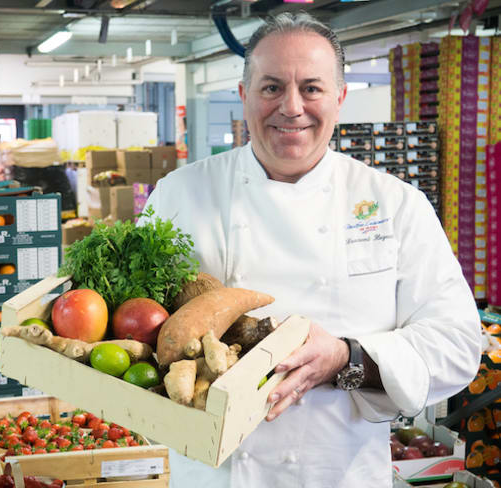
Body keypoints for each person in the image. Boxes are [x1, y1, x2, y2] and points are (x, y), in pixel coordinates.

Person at [139, 11, 481, 488]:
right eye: (271, 87)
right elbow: (133, 322)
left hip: (340, 471)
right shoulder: (179, 194)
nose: (291, 107)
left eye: (312, 88)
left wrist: (347, 358)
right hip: (217, 475)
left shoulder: (395, 203)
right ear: (244, 97)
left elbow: (457, 344)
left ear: (339, 98)